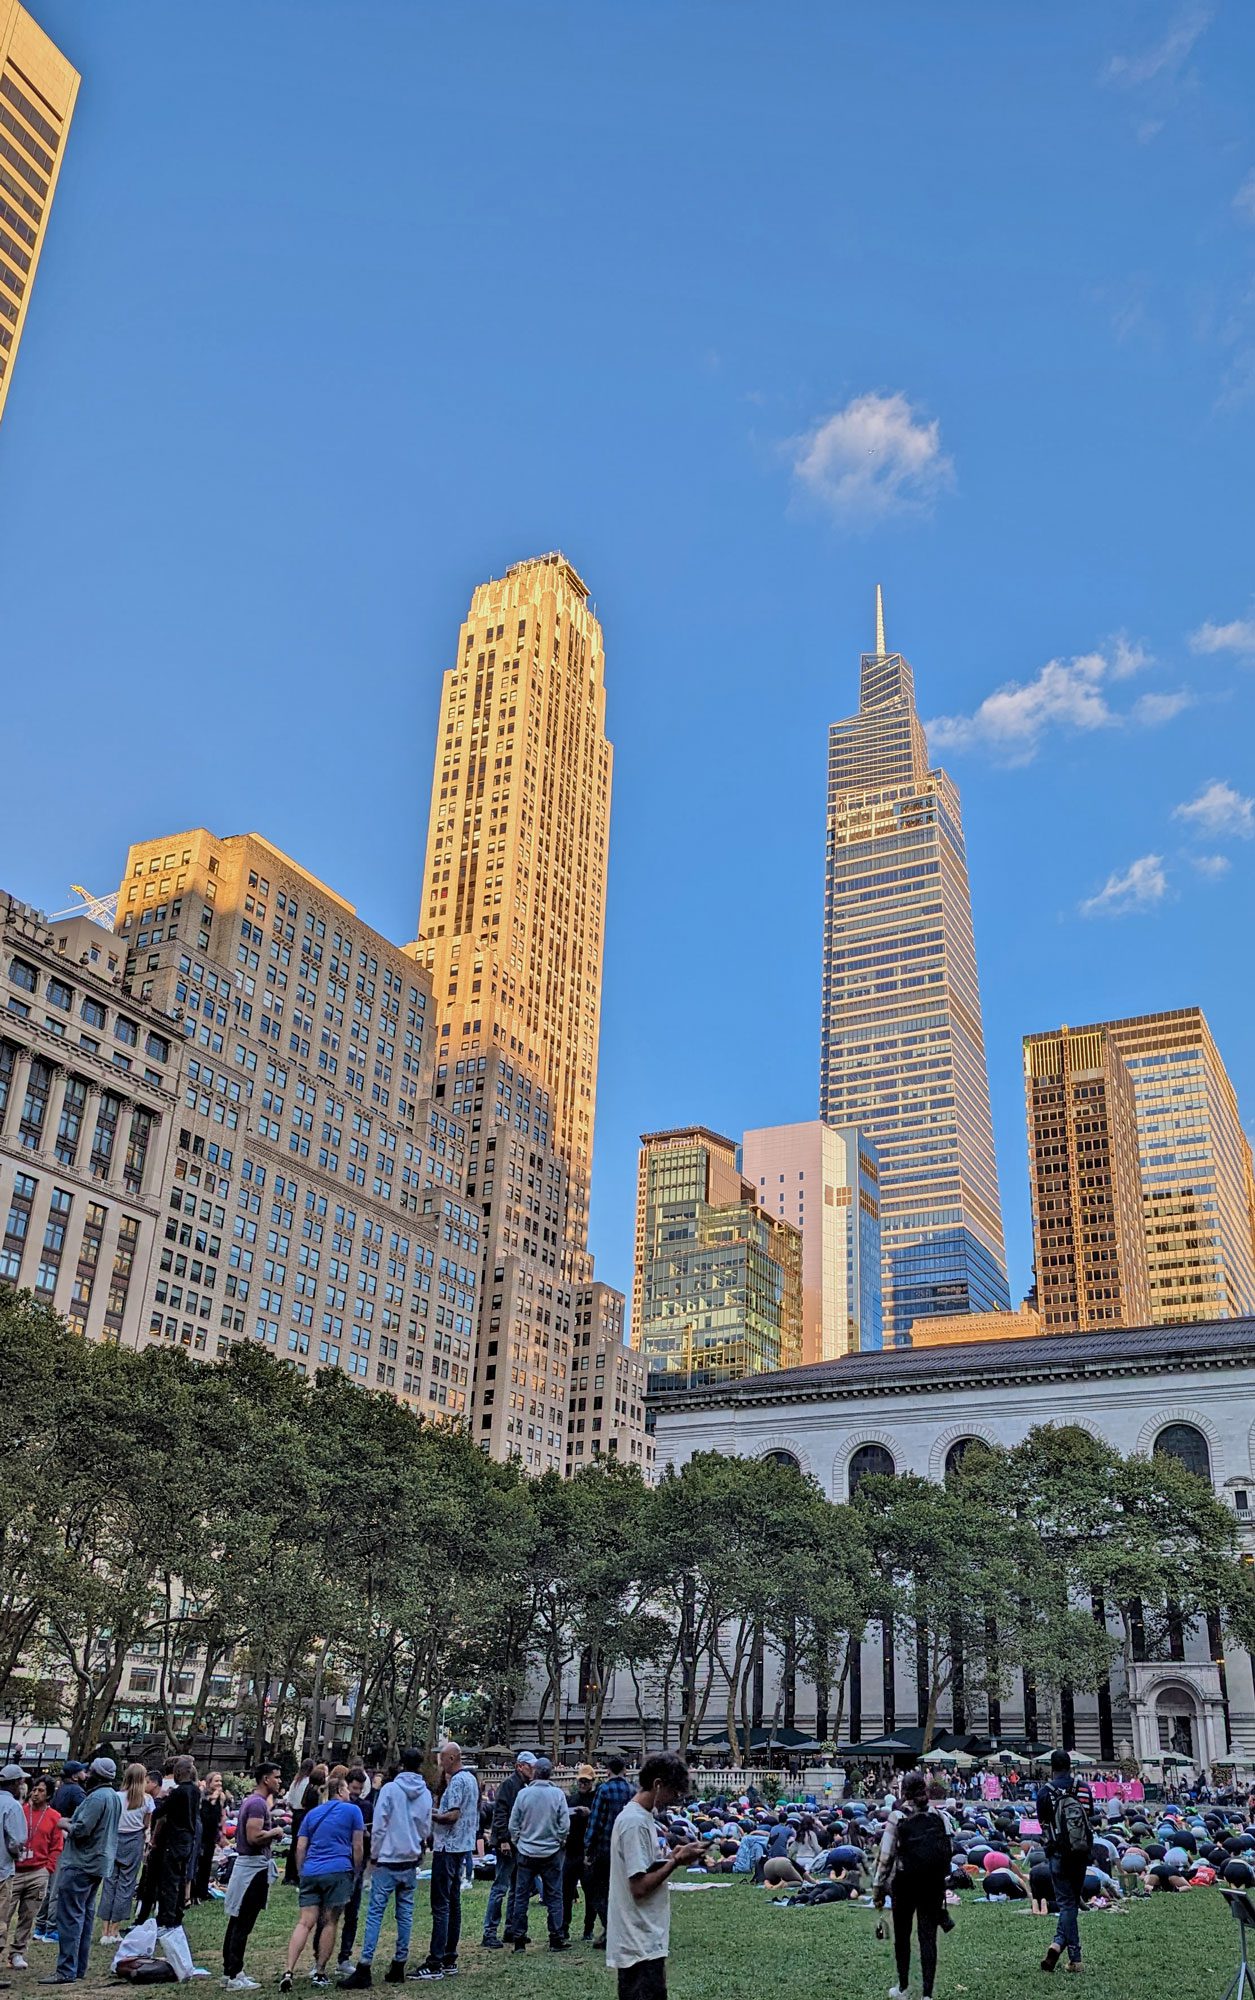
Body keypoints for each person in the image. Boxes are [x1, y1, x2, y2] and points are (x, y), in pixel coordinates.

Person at [605, 1752, 703, 2000]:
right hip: (638, 1941)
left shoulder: (642, 1818)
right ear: (658, 1784)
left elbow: (646, 1867)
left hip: (645, 1938)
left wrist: (673, 1857)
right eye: (673, 1793)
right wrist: (676, 1862)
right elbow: (639, 1887)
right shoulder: (634, 1822)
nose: (672, 1800)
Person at [337, 1748, 430, 1988]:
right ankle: (399, 1963)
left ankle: (365, 1965)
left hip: (388, 1858)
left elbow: (379, 1825)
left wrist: (375, 1855)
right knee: (405, 1914)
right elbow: (425, 1828)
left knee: (375, 1914)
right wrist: (417, 1846)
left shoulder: (389, 1790)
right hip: (410, 1860)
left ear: (401, 1765)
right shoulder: (425, 1793)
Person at [280, 1775, 365, 1992]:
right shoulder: (353, 1811)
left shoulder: (312, 1814)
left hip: (311, 1871)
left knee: (304, 1922)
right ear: (340, 1791)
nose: (350, 1794)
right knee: (330, 1921)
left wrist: (301, 1872)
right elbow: (358, 1845)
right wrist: (356, 1871)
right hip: (338, 1869)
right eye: (347, 1789)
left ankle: (288, 1970)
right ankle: (319, 1971)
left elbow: (300, 1847)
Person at [872, 1771, 951, 2000]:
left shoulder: (898, 1816)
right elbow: (948, 1849)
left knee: (903, 1936)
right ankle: (927, 1994)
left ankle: (903, 1987)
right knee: (928, 1938)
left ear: (902, 1791)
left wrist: (878, 1886)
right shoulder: (939, 1815)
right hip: (933, 1884)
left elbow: (886, 1856)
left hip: (905, 1882)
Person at [46, 1756, 122, 1986]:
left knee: (70, 1917)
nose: (86, 1776)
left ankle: (66, 1969)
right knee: (85, 1916)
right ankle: (78, 1967)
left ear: (96, 1775)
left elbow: (82, 1830)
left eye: (89, 1773)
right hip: (98, 1863)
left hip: (81, 1863)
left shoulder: (96, 1797)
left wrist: (64, 1824)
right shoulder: (113, 1797)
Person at [415, 1743, 478, 1982]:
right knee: (453, 1903)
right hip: (462, 1846)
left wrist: (429, 1814)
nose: (440, 1762)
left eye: (442, 1758)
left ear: (452, 1757)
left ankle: (435, 1962)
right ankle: (450, 1957)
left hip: (447, 1847)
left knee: (441, 1905)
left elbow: (452, 1815)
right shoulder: (471, 1779)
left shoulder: (458, 1782)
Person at [222, 1762, 286, 1992]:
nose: (280, 1782)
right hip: (252, 1869)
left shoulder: (252, 1801)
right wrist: (276, 1832)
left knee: (237, 1920)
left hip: (249, 1867)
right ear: (266, 1779)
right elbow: (254, 1836)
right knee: (243, 1922)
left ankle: (229, 1969)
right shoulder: (258, 1803)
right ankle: (234, 1973)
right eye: (277, 1777)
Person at [1037, 1749, 1093, 1974]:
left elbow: (1042, 1822)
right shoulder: (1084, 1788)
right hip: (1080, 1853)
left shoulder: (1045, 1792)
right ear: (1071, 1766)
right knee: (1072, 1901)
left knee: (1067, 1903)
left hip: (1057, 1853)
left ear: (1052, 1768)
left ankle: (1074, 1958)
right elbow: (1090, 1816)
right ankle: (1058, 1946)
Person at [506, 1755, 570, 1952]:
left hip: (526, 1851)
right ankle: (556, 1938)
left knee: (521, 1896)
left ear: (534, 1772)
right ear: (550, 1773)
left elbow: (513, 1824)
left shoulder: (524, 1794)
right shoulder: (557, 1795)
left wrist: (518, 1840)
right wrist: (559, 1840)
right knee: (554, 1896)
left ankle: (518, 1939)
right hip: (551, 1852)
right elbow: (565, 1824)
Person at [1, 1773, 61, 1970]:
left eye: (41, 1791)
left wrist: (48, 1868)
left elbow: (56, 1845)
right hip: (15, 1871)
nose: (35, 1794)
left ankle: (17, 1952)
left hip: (38, 1870)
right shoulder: (19, 1809)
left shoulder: (53, 1817)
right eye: (34, 1789)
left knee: (28, 1915)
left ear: (49, 1795)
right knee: (5, 1914)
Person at [482, 1751, 535, 1949]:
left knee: (516, 1888)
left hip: (518, 1842)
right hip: (508, 1842)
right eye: (530, 1766)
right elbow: (501, 1813)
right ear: (520, 1766)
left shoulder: (523, 1786)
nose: (533, 1769)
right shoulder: (509, 1785)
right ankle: (489, 1932)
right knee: (501, 1887)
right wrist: (503, 1839)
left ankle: (511, 1930)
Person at [31, 1765, 86, 1946]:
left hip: (51, 1843)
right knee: (57, 1888)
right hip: (63, 1843)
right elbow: (82, 1818)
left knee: (49, 1889)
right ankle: (51, 1928)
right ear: (76, 1776)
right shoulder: (78, 1793)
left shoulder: (60, 1790)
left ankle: (40, 1925)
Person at [98, 1764, 151, 1941]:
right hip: (134, 1840)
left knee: (109, 1883)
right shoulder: (146, 1800)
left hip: (114, 1840)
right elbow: (146, 1824)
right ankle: (114, 1929)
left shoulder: (115, 1797)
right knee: (126, 1885)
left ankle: (104, 1929)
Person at [584, 1756, 632, 1947]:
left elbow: (595, 1821)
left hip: (605, 1848)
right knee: (623, 1892)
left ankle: (610, 1928)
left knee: (600, 1891)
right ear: (624, 1771)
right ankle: (622, 1930)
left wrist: (588, 1846)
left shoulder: (603, 1790)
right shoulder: (632, 1791)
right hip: (627, 1850)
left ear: (607, 1771)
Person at [336, 1768, 377, 1975]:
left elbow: (368, 1836)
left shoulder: (366, 1807)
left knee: (352, 1915)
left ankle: (344, 1956)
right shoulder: (338, 1807)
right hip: (340, 1863)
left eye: (360, 1790)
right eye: (353, 1788)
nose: (356, 1793)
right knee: (331, 1915)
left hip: (357, 1865)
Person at [152, 1755, 199, 1936]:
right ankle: (177, 1914)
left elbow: (159, 1813)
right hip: (188, 1839)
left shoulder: (178, 1792)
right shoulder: (195, 1791)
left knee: (170, 1881)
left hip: (174, 1839)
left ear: (179, 1773)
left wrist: (161, 1799)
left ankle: (167, 1917)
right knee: (181, 1877)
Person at [562, 1765, 597, 1942]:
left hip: (588, 1852)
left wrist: (589, 1814)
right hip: (571, 1850)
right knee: (566, 1892)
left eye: (586, 1781)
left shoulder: (597, 1800)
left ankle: (588, 1929)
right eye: (581, 1781)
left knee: (590, 1893)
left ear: (592, 1781)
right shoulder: (571, 1799)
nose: (583, 1784)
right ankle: (564, 1927)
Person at [0, 1765, 29, 1966]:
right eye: (21, 1781)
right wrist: (17, 1854)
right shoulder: (12, 1806)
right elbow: (17, 1840)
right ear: (15, 1783)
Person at [191, 1772, 226, 1905]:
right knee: (198, 1862)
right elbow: (204, 1814)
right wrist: (212, 1799)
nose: (219, 1784)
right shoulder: (203, 1796)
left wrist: (222, 1833)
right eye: (216, 1781)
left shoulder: (221, 1798)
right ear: (209, 1782)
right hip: (201, 1833)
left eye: (220, 1781)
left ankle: (203, 1890)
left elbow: (221, 1816)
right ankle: (194, 1891)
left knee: (207, 1862)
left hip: (212, 1834)